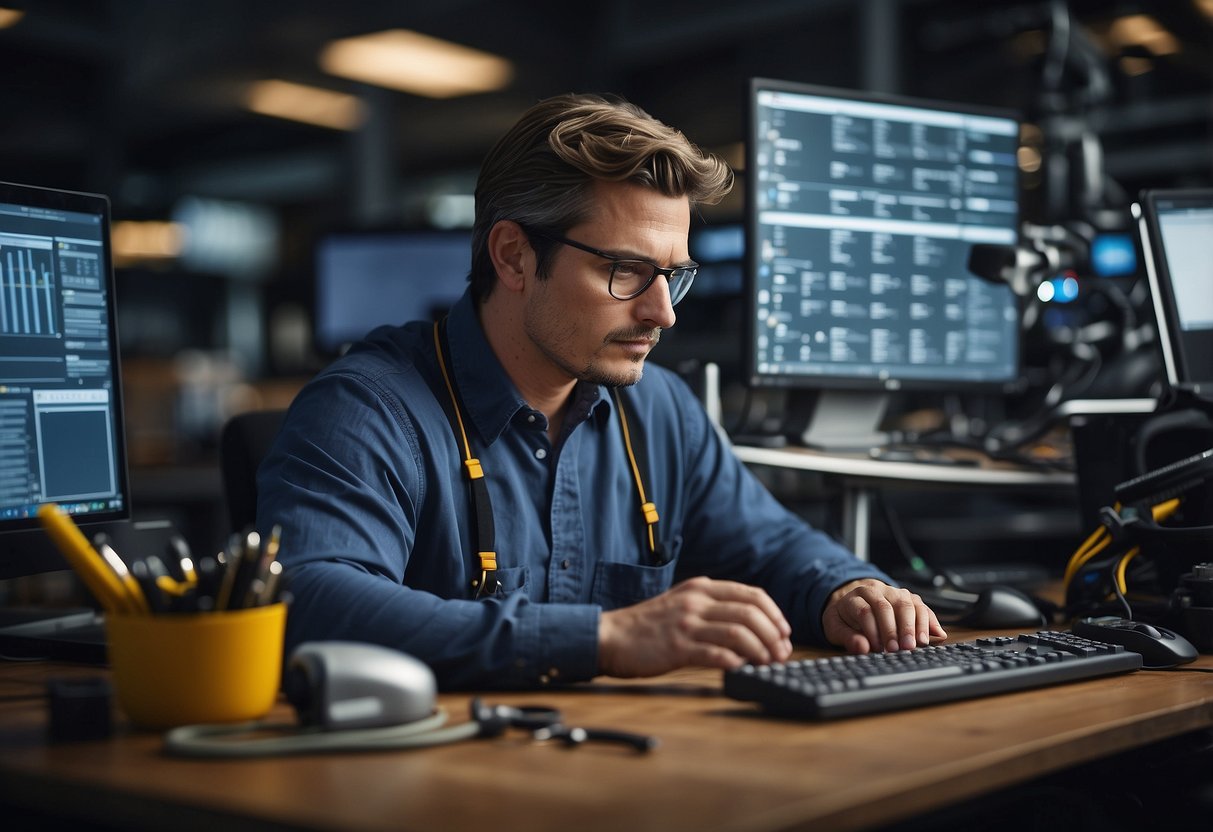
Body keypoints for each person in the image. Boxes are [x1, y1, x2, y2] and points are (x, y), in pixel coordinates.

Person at [257, 92, 946, 689]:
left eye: (671, 275)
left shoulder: (658, 410)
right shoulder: (367, 409)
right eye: (624, 270)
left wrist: (847, 590)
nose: (661, 312)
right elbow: (310, 599)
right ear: (513, 256)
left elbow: (771, 547)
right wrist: (606, 640)